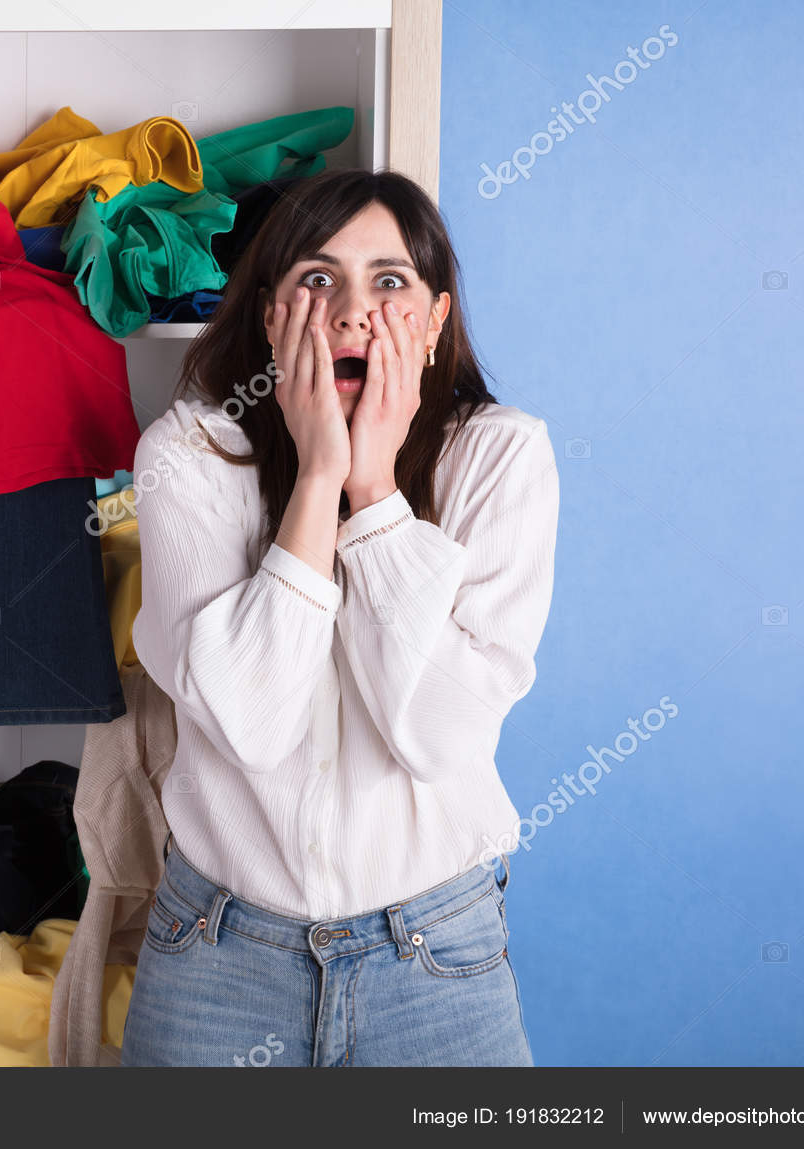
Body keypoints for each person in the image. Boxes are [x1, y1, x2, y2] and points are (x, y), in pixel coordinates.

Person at [121, 168, 559, 1067]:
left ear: (436, 320)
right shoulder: (189, 458)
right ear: (272, 314)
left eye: (390, 282)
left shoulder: (501, 457)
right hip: (219, 953)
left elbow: (440, 736)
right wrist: (321, 480)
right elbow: (253, 720)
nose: (354, 310)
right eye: (318, 280)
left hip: (434, 954)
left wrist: (376, 492)